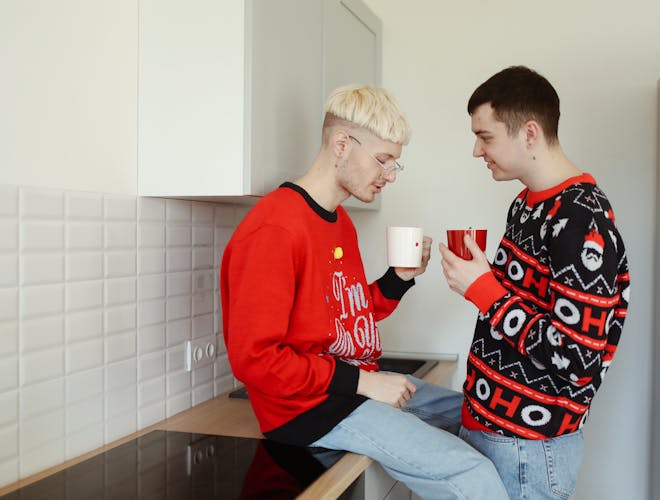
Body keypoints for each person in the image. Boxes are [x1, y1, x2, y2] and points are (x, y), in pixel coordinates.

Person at [221, 84, 507, 499]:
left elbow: (345, 315)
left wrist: (400, 278)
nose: (390, 175)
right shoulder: (275, 229)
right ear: (341, 143)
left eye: (395, 163)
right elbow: (256, 361)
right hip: (308, 411)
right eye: (383, 160)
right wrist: (363, 383)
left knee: (485, 418)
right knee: (470, 472)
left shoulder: (340, 223)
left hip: (349, 388)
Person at [438, 66, 631, 499]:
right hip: (496, 432)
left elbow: (577, 357)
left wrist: (485, 291)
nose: (476, 150)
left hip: (529, 449)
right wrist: (485, 279)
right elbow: (523, 306)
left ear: (529, 133)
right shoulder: (526, 203)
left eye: (485, 137)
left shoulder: (581, 217)